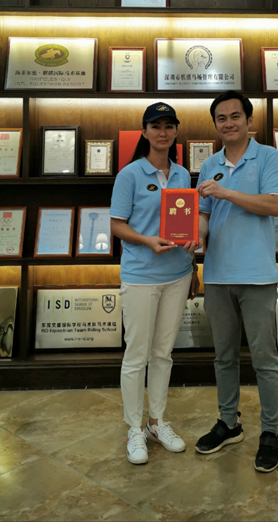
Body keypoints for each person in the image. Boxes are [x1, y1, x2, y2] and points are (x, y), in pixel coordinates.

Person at [194, 91, 278, 473]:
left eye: (235, 116)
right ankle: (229, 422)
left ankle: (270, 432)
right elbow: (203, 214)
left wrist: (226, 192)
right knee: (224, 357)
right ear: (215, 124)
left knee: (265, 359)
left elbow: (274, 205)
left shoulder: (267, 157)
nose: (228, 123)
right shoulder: (209, 164)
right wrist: (195, 236)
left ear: (249, 120)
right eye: (221, 118)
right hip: (217, 275)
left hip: (258, 275)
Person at [110, 102, 200, 465]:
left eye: (169, 126)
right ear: (145, 132)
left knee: (163, 353)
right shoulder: (130, 174)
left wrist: (192, 258)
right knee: (137, 355)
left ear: (176, 131)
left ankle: (156, 422)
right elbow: (117, 225)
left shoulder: (182, 174)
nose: (163, 132)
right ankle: (134, 428)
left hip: (177, 274)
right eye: (156, 126)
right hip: (141, 276)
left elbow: (185, 222)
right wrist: (147, 241)